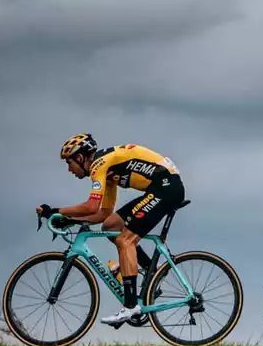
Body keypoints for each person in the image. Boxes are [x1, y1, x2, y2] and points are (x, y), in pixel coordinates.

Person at [36, 133, 185, 325]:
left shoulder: (100, 164)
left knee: (125, 241)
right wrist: (68, 220)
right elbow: (103, 214)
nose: (69, 169)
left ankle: (131, 306)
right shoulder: (108, 170)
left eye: (69, 163)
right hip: (163, 187)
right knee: (111, 225)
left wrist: (55, 211)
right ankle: (151, 273)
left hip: (166, 188)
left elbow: (90, 207)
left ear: (80, 158)